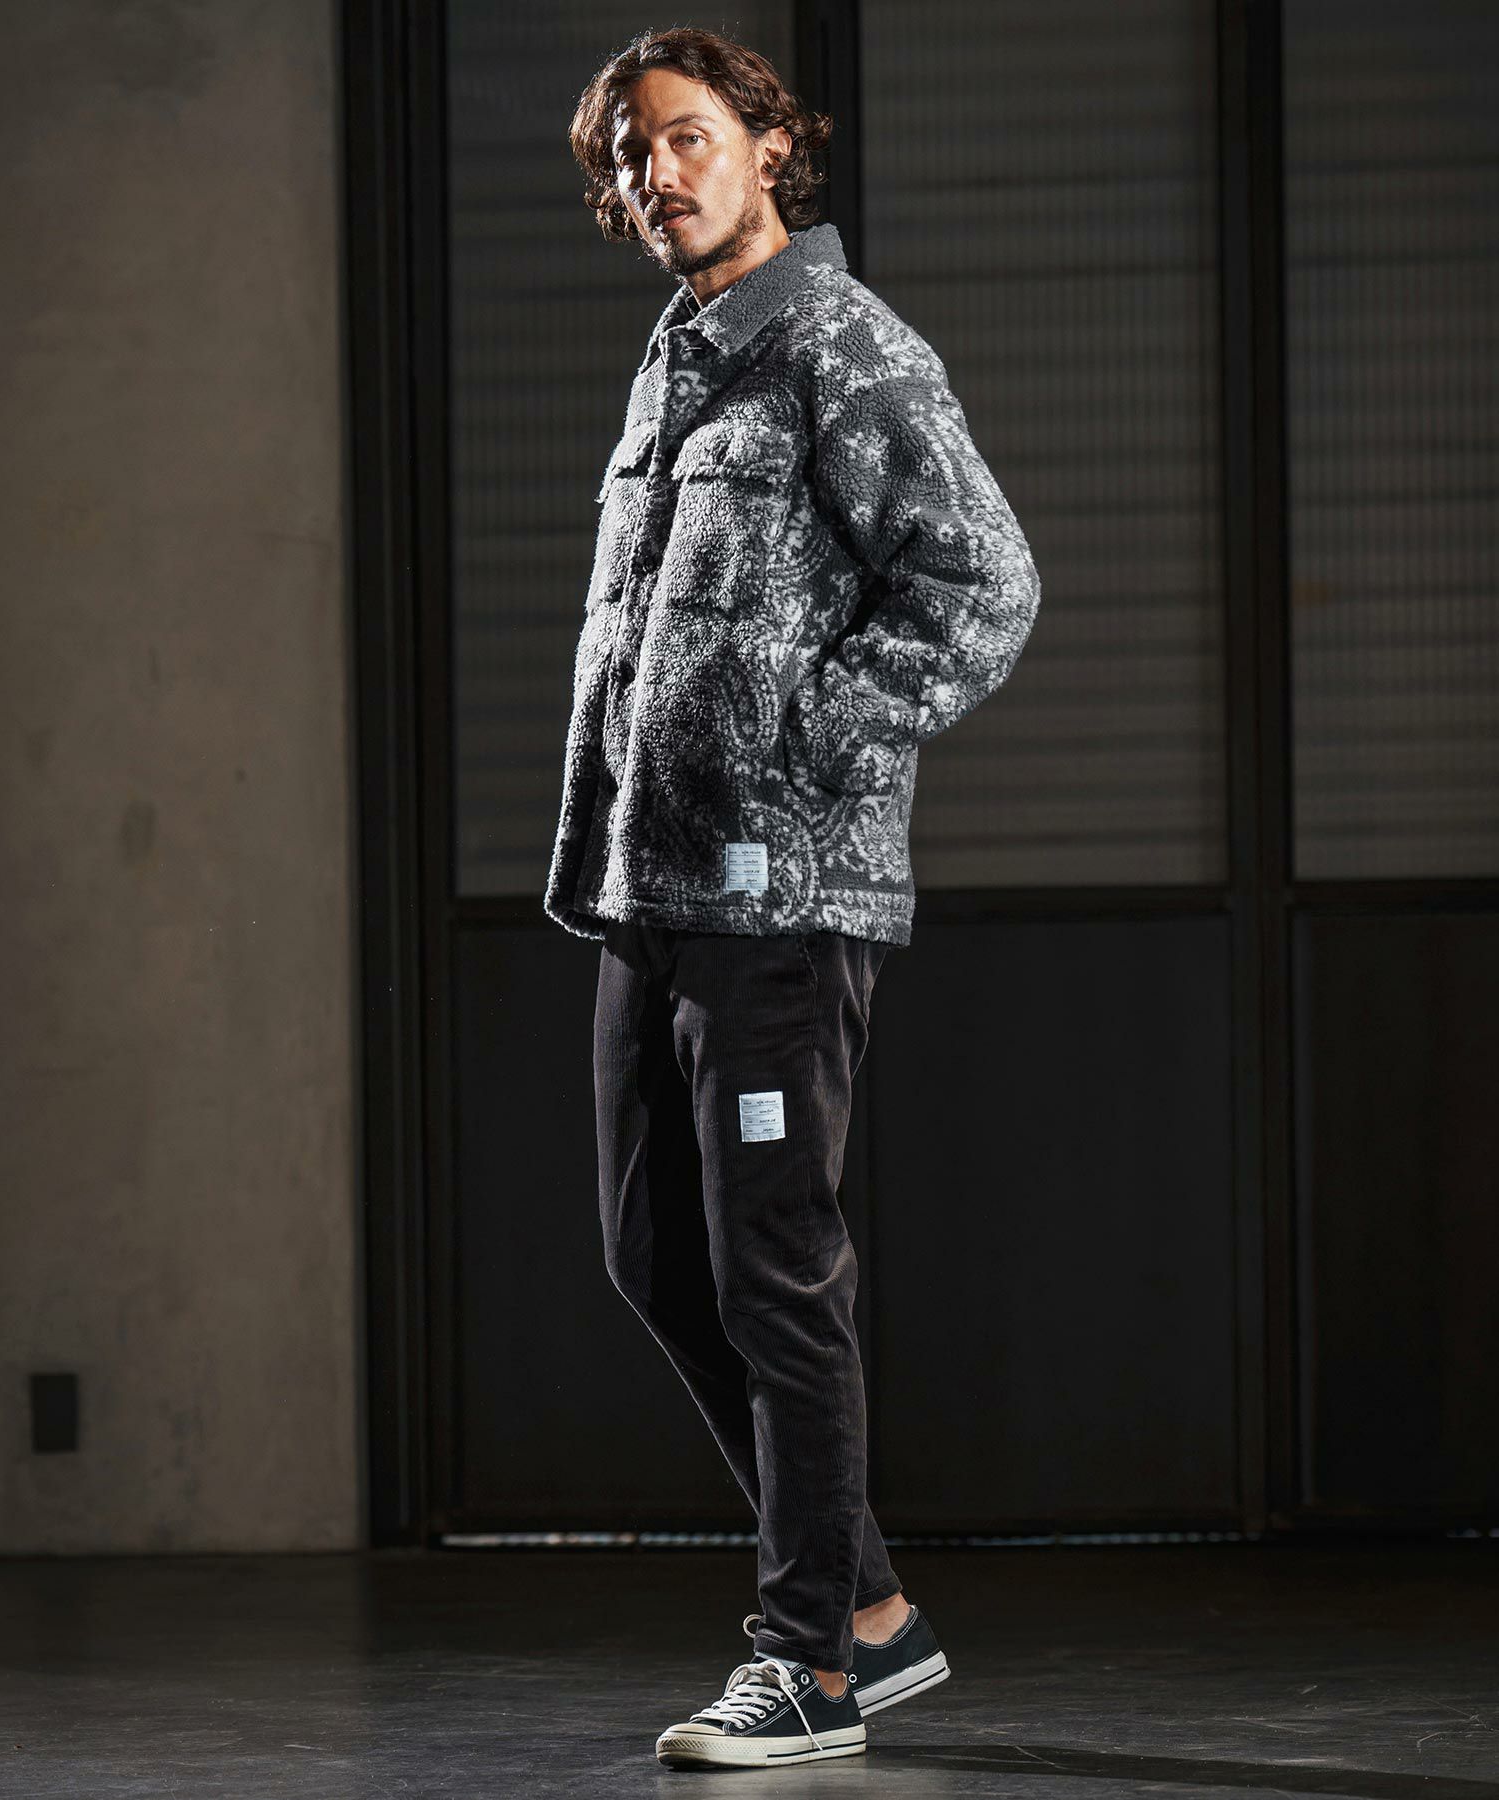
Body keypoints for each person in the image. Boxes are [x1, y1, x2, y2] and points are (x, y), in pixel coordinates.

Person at [546, 26, 1042, 1770]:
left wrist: (808, 740)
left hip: (782, 888)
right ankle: (875, 1613)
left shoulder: (843, 345)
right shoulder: (677, 365)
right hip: (653, 885)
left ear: (767, 145)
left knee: (774, 1271)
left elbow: (982, 579)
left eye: (685, 138)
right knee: (652, 1258)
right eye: (630, 157)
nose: (655, 176)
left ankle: (808, 1661)